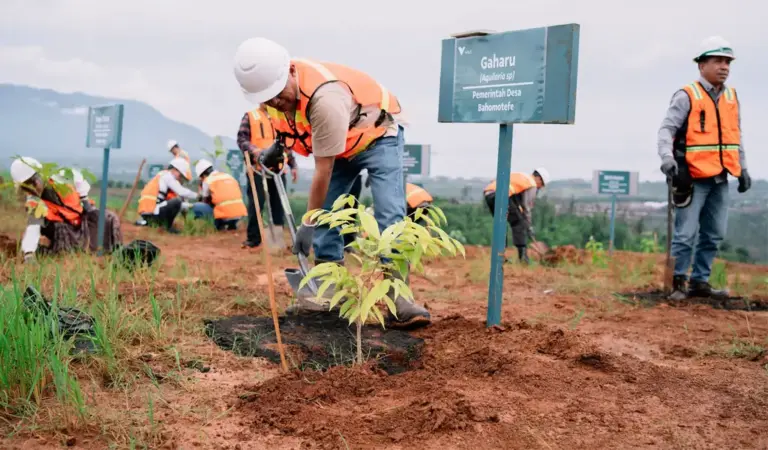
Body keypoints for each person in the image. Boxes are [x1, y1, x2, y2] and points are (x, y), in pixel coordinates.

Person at [233, 37, 430, 329]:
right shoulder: (273, 97)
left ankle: (398, 299)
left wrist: (308, 224)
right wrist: (279, 149)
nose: (276, 101)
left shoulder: (324, 99)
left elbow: (323, 171)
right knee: (328, 216)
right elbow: (292, 128)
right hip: (339, 145)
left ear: (290, 70)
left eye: (277, 93)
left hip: (376, 137)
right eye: (268, 97)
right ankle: (327, 293)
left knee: (390, 216)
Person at [658, 36, 750, 301]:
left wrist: (742, 169)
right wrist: (667, 159)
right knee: (685, 234)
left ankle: (700, 281)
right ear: (702, 65)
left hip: (721, 177)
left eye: (728, 62)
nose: (725, 67)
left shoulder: (732, 97)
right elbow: (667, 129)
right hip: (691, 177)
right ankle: (677, 283)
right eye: (718, 61)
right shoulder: (687, 95)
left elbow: (736, 135)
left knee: (714, 234)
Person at [10, 157, 123, 263]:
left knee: (109, 218)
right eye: (26, 186)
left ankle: (118, 253)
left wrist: (85, 201)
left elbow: (78, 178)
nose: (32, 188)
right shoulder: (33, 204)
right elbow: (33, 228)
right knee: (61, 229)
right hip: (61, 229)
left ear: (40, 175)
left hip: (80, 220)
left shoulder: (61, 177)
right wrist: (29, 254)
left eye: (32, 182)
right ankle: (63, 256)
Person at [236, 105, 299, 249]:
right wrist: (255, 151)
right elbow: (242, 139)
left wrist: (293, 164)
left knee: (278, 205)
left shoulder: (279, 118)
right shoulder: (250, 116)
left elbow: (286, 144)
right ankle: (253, 239)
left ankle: (276, 241)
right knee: (257, 204)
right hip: (258, 168)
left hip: (278, 169)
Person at [483, 169, 550, 264]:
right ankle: (523, 259)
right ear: (539, 179)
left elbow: (516, 202)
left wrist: (520, 213)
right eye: (542, 185)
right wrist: (528, 226)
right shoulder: (532, 184)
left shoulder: (521, 177)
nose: (540, 187)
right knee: (519, 223)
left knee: (501, 225)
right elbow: (526, 206)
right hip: (502, 195)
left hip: (489, 194)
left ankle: (499, 257)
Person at [137, 157, 201, 234]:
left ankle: (155, 224)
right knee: (177, 202)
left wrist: (189, 206)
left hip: (149, 213)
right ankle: (167, 227)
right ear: (175, 170)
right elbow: (181, 192)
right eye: (180, 176)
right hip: (152, 213)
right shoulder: (167, 176)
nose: (180, 179)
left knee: (177, 203)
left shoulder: (161, 176)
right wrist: (198, 196)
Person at [191, 159, 248, 231]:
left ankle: (219, 226)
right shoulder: (228, 176)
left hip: (224, 216)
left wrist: (200, 189)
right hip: (239, 213)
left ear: (203, 175)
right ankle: (232, 225)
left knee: (197, 206)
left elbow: (204, 201)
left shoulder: (207, 180)